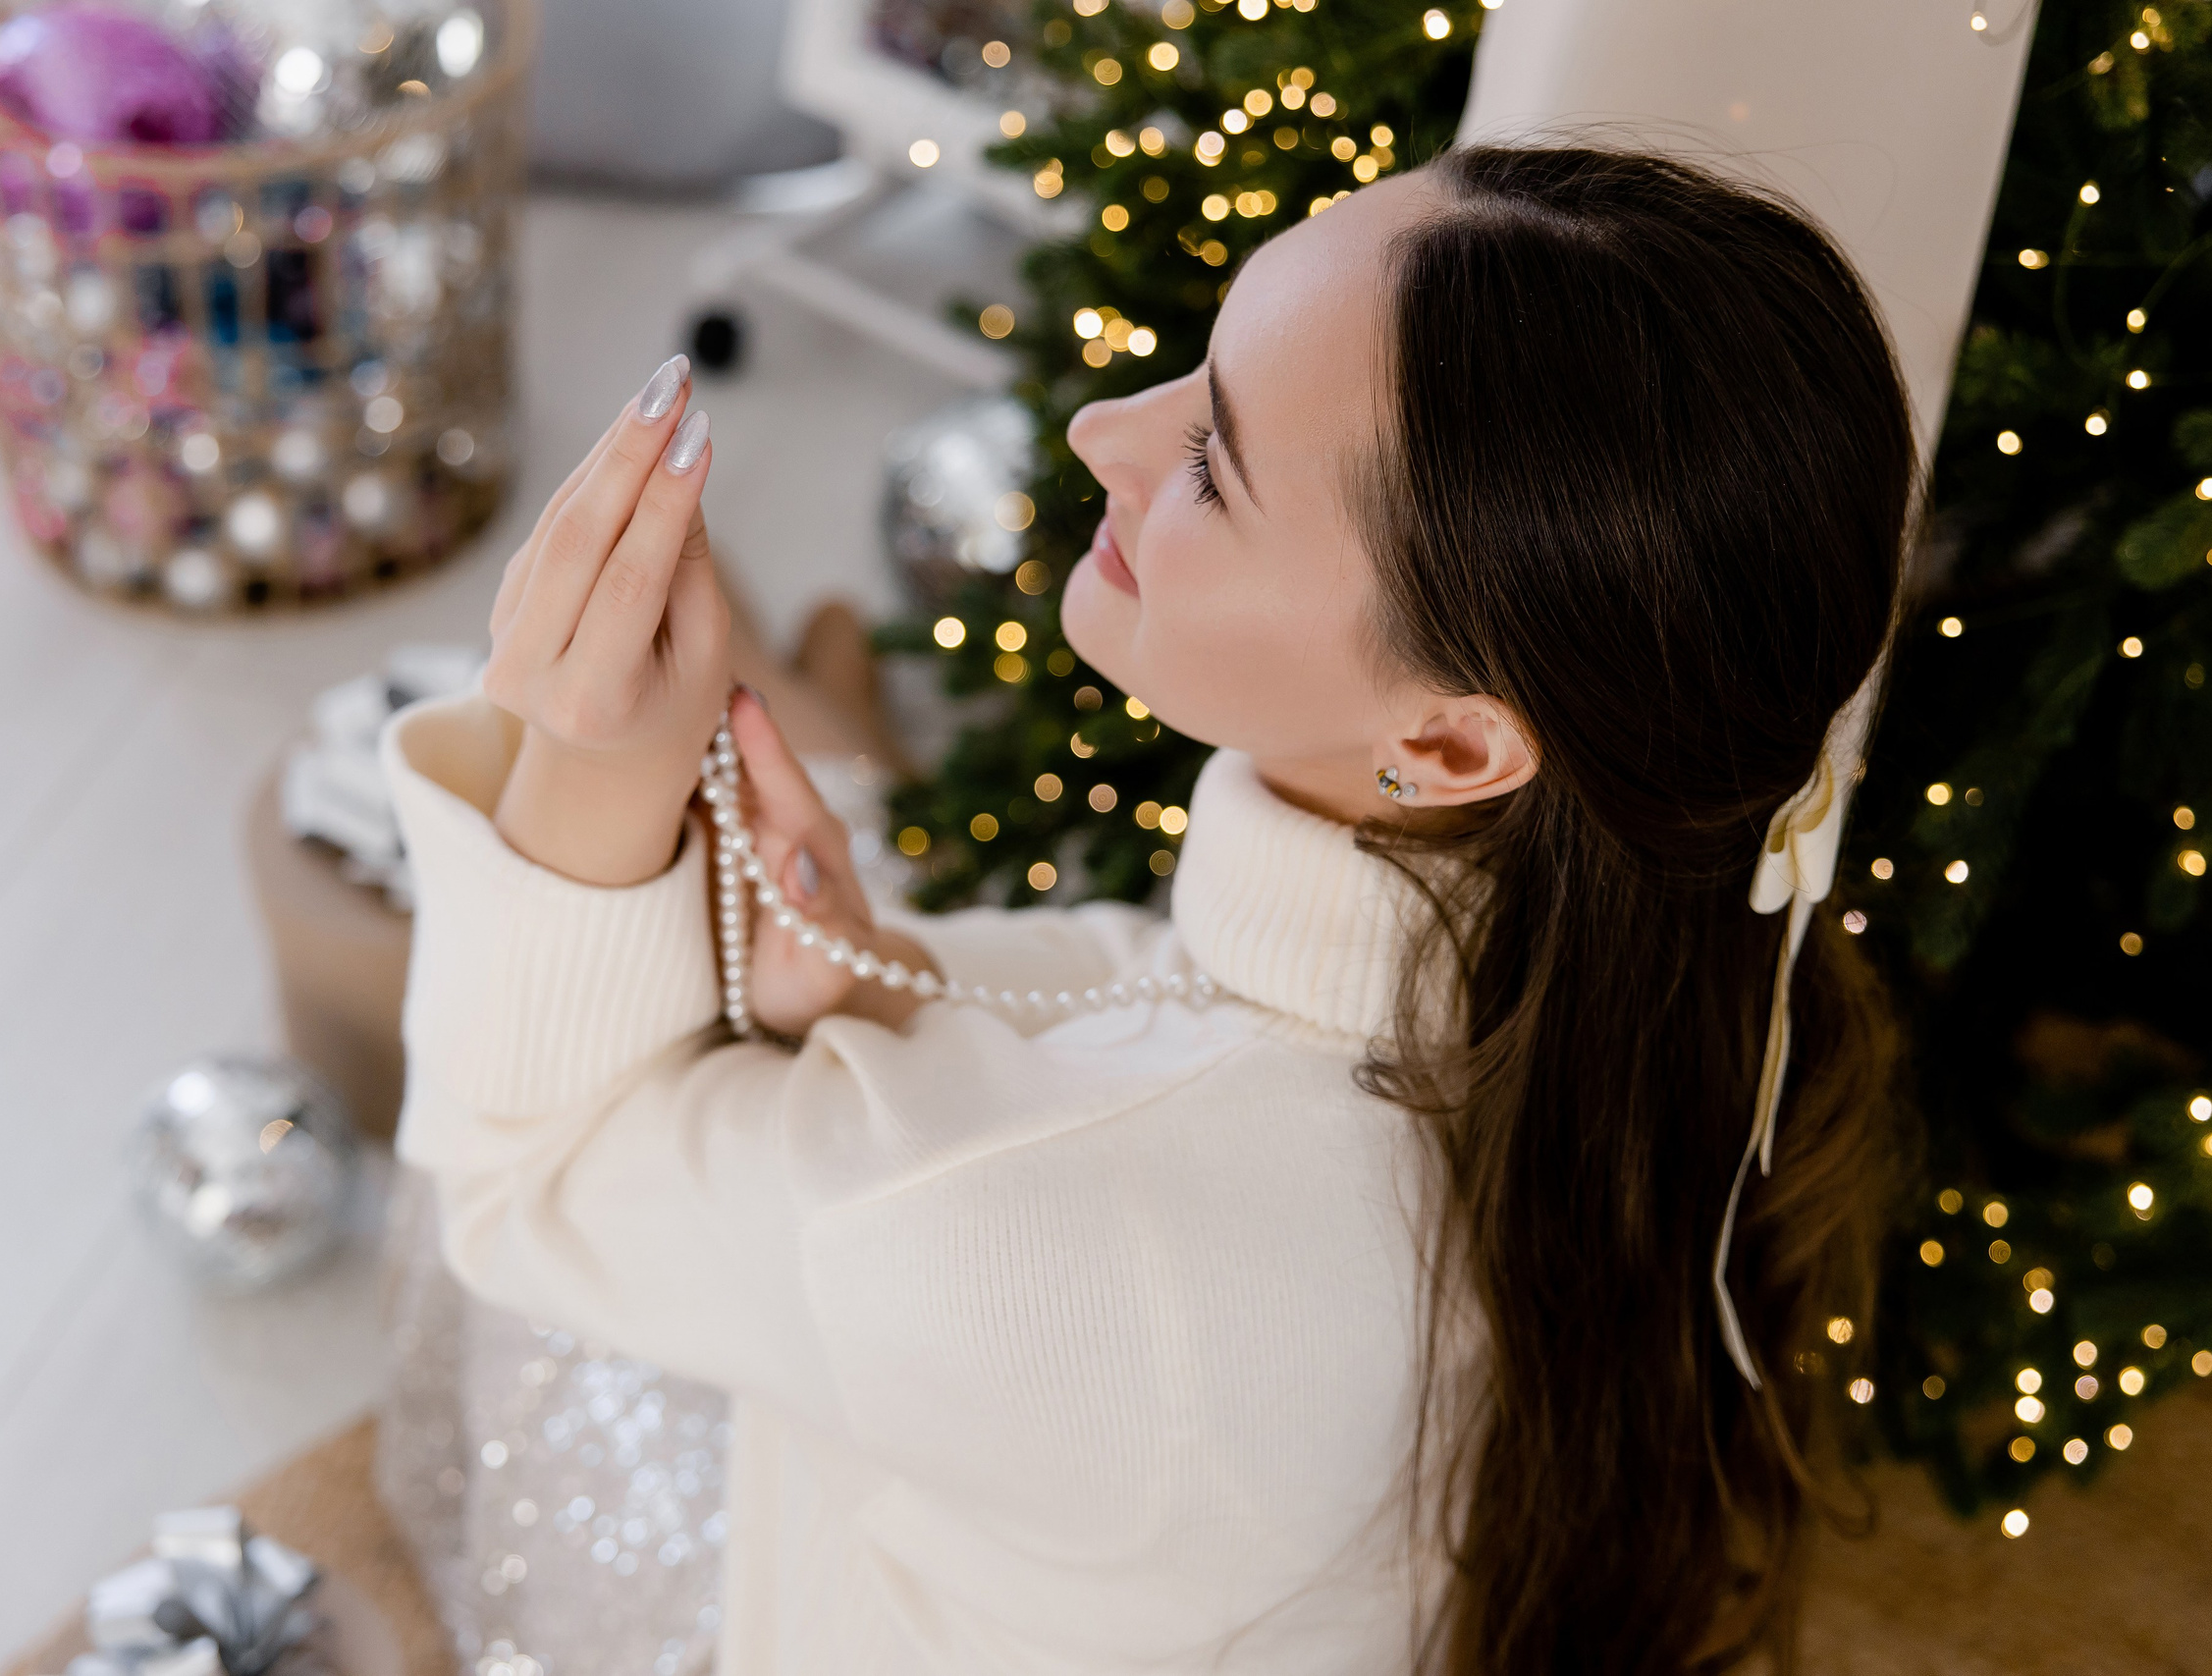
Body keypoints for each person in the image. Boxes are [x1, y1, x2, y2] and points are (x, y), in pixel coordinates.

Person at [383, 146, 1912, 1676]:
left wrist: (591, 765)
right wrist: (885, 986)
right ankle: (830, 728)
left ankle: (818, 724)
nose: (1103, 427)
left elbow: (515, 1194)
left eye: (1213, 465)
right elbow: (1141, 1078)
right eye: (1196, 370)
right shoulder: (1613, 1007)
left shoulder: (1048, 1241)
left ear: (1451, 743)